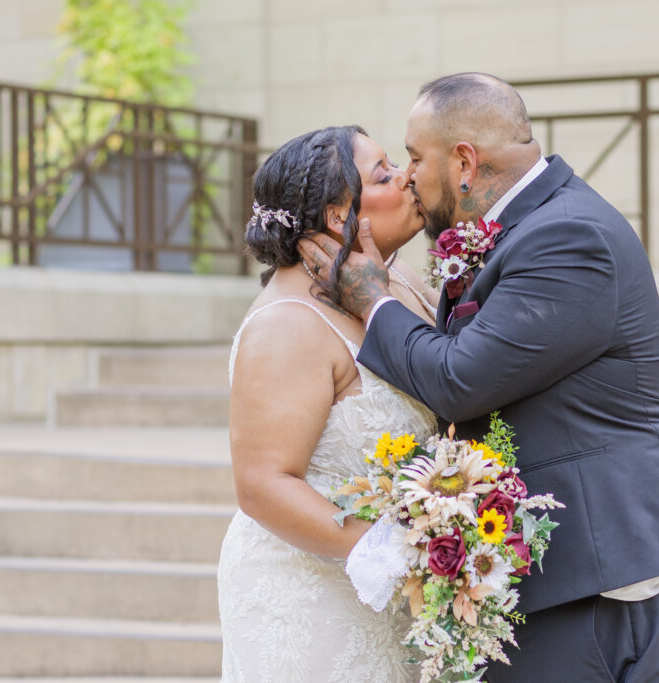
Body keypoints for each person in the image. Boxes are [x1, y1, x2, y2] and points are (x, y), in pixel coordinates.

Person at [299, 74, 659, 682]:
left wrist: (372, 302)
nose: (409, 175)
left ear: (464, 161)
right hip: (566, 573)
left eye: (415, 158)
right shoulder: (528, 225)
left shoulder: (568, 237)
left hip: (603, 578)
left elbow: (460, 381)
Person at [217, 125, 440, 681]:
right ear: (341, 218)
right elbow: (264, 484)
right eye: (385, 173)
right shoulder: (287, 326)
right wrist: (395, 553)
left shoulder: (400, 283)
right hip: (314, 598)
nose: (408, 175)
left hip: (395, 594)